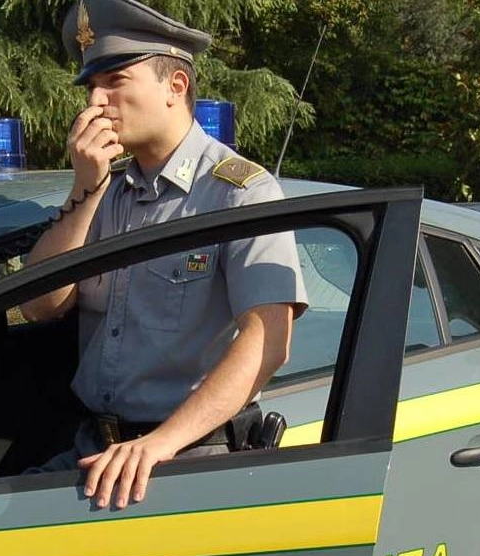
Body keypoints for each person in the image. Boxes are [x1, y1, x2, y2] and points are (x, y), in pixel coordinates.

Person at [20, 0, 308, 509]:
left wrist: (160, 444)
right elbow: (39, 304)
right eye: (90, 86)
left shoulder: (239, 193)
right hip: (95, 448)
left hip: (189, 458)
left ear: (176, 86)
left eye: (115, 81)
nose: (96, 101)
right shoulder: (106, 194)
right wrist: (85, 188)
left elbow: (269, 342)